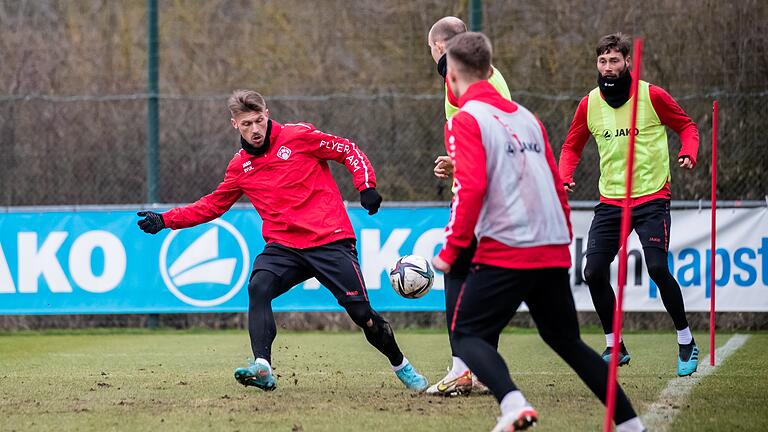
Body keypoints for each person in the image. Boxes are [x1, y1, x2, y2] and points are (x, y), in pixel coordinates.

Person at [137, 90, 428, 392]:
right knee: (258, 286)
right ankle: (262, 366)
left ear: (267, 114)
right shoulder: (240, 168)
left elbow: (346, 149)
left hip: (329, 239)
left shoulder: (298, 136)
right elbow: (212, 205)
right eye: (247, 123)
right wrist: (165, 220)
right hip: (285, 248)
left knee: (362, 315)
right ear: (234, 124)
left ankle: (401, 366)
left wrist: (365, 185)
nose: (256, 129)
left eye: (260, 120)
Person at [431, 32, 646, 432]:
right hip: (550, 246)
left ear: (455, 77)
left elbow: (471, 187)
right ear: (489, 69)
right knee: (567, 341)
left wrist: (452, 248)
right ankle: (632, 424)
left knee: (466, 333)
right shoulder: (526, 117)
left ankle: (513, 405)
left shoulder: (466, 119)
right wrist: (563, 234)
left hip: (509, 247)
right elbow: (552, 179)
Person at [559, 33, 700, 376]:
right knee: (591, 271)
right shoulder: (589, 103)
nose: (608, 68)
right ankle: (614, 344)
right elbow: (571, 146)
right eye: (602, 61)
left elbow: (687, 126)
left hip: (651, 197)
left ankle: (686, 340)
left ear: (626, 62)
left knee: (655, 268)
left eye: (614, 61)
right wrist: (565, 174)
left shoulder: (652, 95)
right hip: (611, 201)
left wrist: (688, 150)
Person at [425, 15, 511, 397]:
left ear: (440, 48)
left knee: (457, 272)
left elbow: (491, 140)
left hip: (483, 193)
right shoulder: (487, 74)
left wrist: (461, 166)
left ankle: (463, 366)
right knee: (480, 278)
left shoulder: (459, 79)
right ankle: (479, 365)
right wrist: (456, 162)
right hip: (495, 188)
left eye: (431, 50)